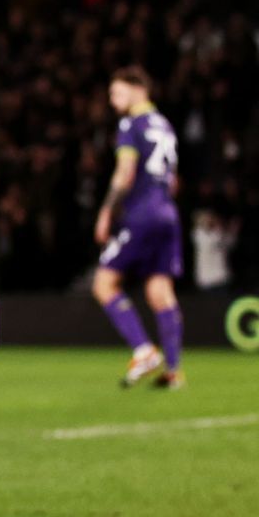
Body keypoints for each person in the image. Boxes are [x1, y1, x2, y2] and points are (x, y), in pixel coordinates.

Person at [93, 65, 186, 389]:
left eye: (117, 92)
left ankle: (144, 350)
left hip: (142, 214)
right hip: (168, 213)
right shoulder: (166, 125)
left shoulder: (131, 124)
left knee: (103, 283)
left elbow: (125, 172)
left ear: (137, 89)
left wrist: (106, 212)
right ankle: (174, 371)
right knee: (160, 291)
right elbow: (172, 180)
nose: (112, 99)